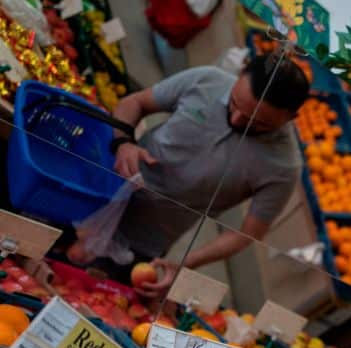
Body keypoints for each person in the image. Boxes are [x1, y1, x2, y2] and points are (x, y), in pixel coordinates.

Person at [85, 51, 309, 297]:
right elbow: (135, 102)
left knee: (92, 292)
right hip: (97, 190)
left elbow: (247, 234)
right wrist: (124, 143)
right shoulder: (206, 80)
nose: (235, 120)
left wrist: (184, 263)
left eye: (257, 124)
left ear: (290, 118)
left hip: (140, 241)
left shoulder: (284, 166)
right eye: (234, 103)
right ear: (240, 75)